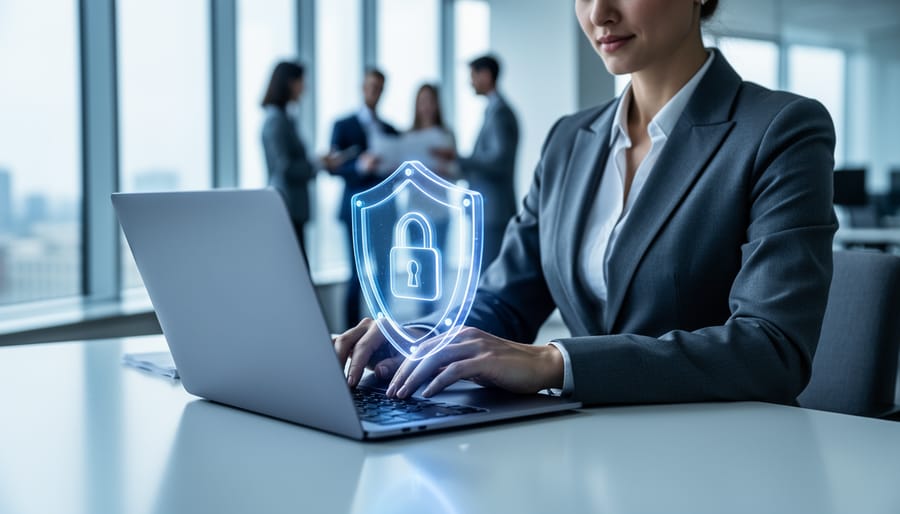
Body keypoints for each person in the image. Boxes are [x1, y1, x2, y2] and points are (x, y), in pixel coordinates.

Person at [335, 0, 837, 407]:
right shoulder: (569, 140)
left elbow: (773, 348)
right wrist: (420, 335)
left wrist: (557, 361)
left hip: (722, 455)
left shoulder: (780, 129)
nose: (598, 13)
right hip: (586, 450)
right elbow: (507, 300)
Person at [434, 55, 520, 269]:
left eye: (472, 76)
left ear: (486, 76)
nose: (469, 82)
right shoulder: (494, 110)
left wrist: (458, 158)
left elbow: (498, 161)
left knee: (487, 273)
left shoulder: (500, 113)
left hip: (493, 212)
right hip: (489, 209)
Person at [330, 68, 400, 329]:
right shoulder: (343, 126)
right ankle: (351, 335)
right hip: (355, 210)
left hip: (384, 210)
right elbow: (334, 167)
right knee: (356, 275)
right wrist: (360, 166)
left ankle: (384, 331)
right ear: (362, 87)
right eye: (371, 86)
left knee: (383, 274)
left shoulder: (391, 130)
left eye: (379, 87)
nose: (374, 92)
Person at [261, 61, 332, 259]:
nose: (305, 87)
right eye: (301, 81)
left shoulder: (285, 118)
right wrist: (318, 164)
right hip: (287, 204)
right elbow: (284, 166)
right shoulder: (276, 120)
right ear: (289, 83)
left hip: (292, 205)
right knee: (295, 266)